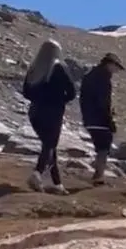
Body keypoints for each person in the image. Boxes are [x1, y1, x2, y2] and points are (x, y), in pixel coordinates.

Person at [21, 39, 77, 194]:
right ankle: (37, 174)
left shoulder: (33, 68)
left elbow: (26, 93)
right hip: (53, 113)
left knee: (50, 146)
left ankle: (57, 184)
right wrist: (60, 101)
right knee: (50, 145)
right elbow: (72, 92)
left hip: (35, 113)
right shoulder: (59, 67)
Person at [79, 52, 126, 185]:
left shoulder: (90, 75)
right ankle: (98, 176)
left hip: (89, 118)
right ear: (110, 64)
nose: (117, 70)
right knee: (104, 147)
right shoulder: (103, 78)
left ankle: (97, 175)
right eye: (116, 67)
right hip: (99, 119)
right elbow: (103, 101)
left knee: (100, 146)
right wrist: (109, 120)